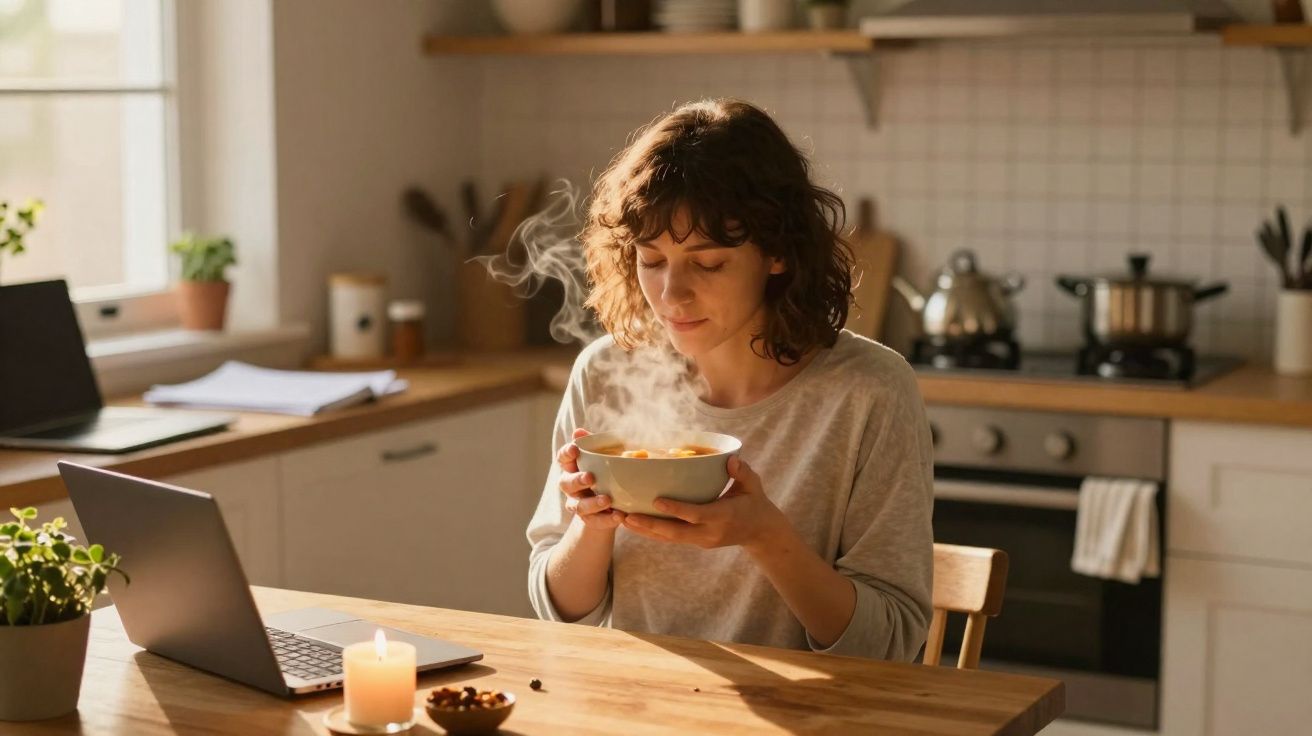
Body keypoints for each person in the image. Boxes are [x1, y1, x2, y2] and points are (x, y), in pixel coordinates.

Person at [525, 99, 934, 661]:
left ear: (779, 254)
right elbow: (559, 609)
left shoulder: (868, 393)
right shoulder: (607, 373)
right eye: (651, 260)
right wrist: (591, 526)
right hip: (633, 710)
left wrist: (765, 535)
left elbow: (890, 644)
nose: (671, 295)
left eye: (708, 263)